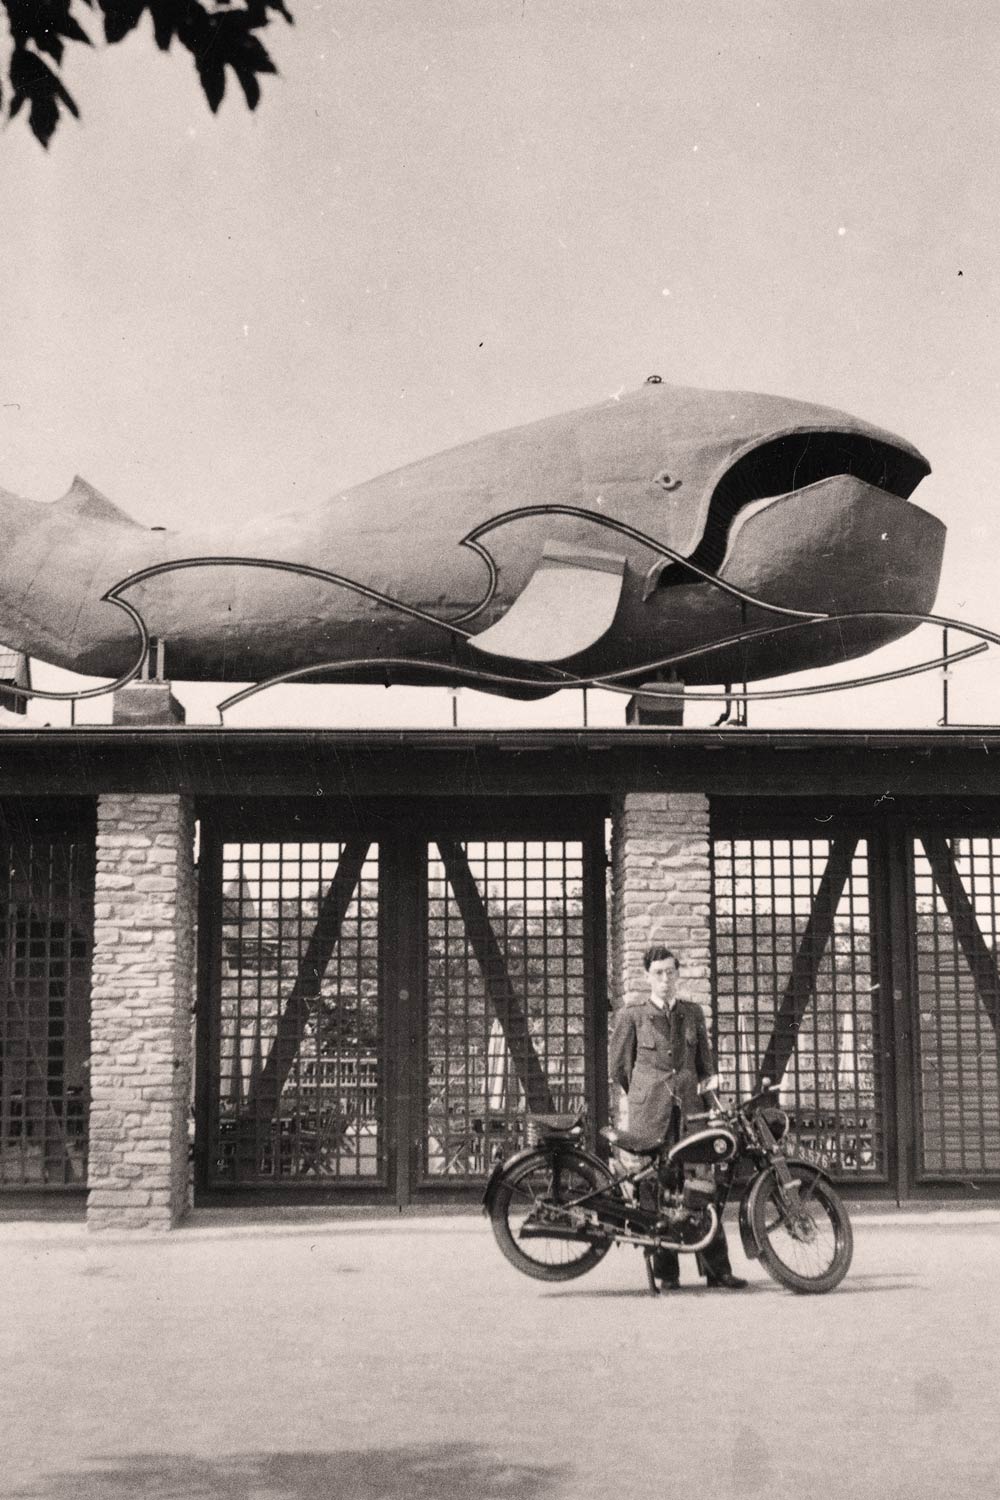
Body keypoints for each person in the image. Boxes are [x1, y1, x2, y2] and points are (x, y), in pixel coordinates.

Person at [608, 943, 747, 1290]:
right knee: (656, 1188)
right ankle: (666, 1273)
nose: (665, 980)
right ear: (646, 977)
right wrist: (647, 1092)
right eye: (658, 974)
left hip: (690, 1112)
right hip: (650, 1113)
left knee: (702, 1186)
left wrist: (709, 1099)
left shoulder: (692, 1013)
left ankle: (718, 1271)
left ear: (678, 974)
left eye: (671, 972)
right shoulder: (632, 1016)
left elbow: (705, 1066)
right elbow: (619, 1068)